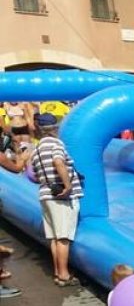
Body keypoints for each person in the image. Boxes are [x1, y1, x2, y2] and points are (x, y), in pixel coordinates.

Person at [30, 113, 83, 287]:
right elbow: (58, 162)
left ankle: (58, 272)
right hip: (60, 197)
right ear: (54, 128)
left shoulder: (36, 149)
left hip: (45, 194)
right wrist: (68, 186)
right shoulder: (56, 143)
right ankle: (64, 274)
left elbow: (36, 176)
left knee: (53, 237)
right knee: (63, 238)